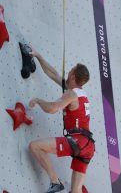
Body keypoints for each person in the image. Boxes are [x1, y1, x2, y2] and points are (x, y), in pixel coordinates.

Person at [28, 47, 95, 193]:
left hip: (79, 141)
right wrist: (38, 55)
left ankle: (55, 181)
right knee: (76, 189)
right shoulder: (80, 93)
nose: (69, 71)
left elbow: (52, 108)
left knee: (35, 146)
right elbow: (53, 73)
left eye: (71, 69)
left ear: (72, 76)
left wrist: (38, 100)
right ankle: (57, 183)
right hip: (88, 146)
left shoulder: (71, 94)